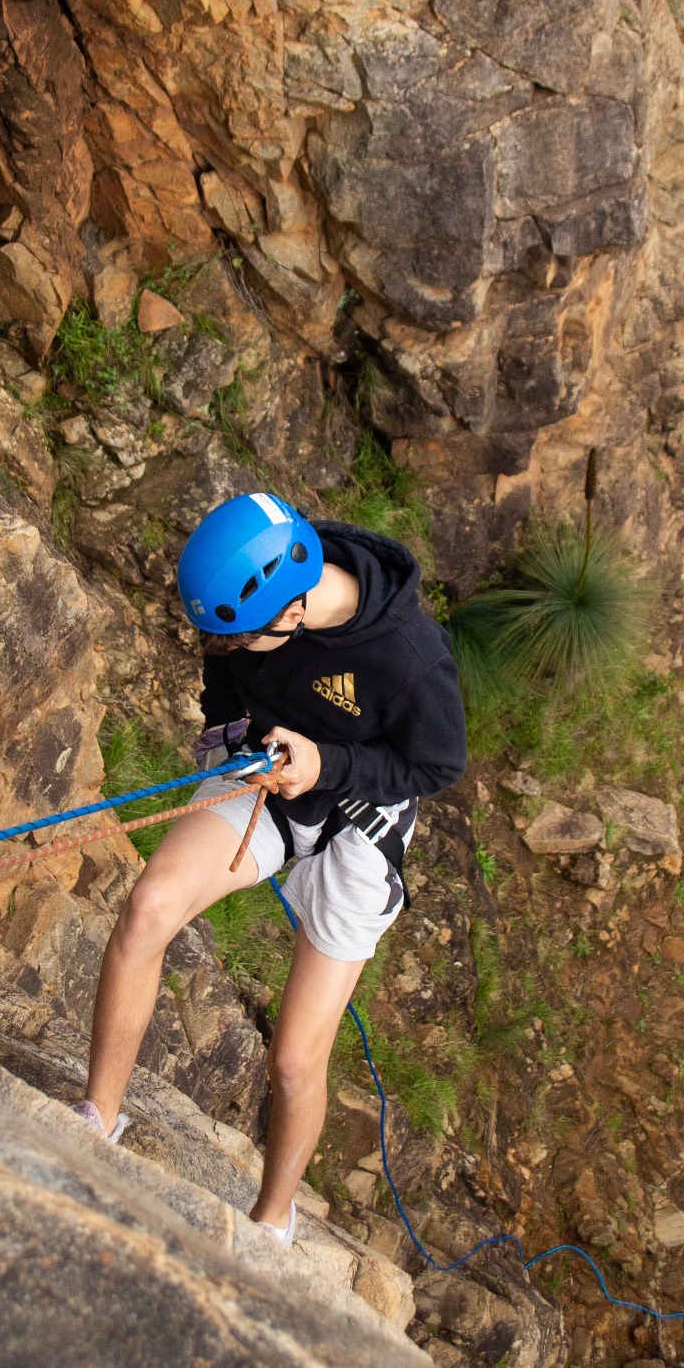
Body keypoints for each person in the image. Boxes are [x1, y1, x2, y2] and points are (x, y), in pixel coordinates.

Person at [74, 493, 466, 1244]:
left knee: (292, 1060)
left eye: (235, 639)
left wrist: (331, 764)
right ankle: (96, 1118)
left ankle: (272, 1219)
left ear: (289, 615)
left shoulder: (409, 659)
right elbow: (225, 679)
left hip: (360, 819)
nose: (220, 648)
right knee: (149, 908)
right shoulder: (248, 604)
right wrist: (238, 737)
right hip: (268, 776)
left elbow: (437, 763)